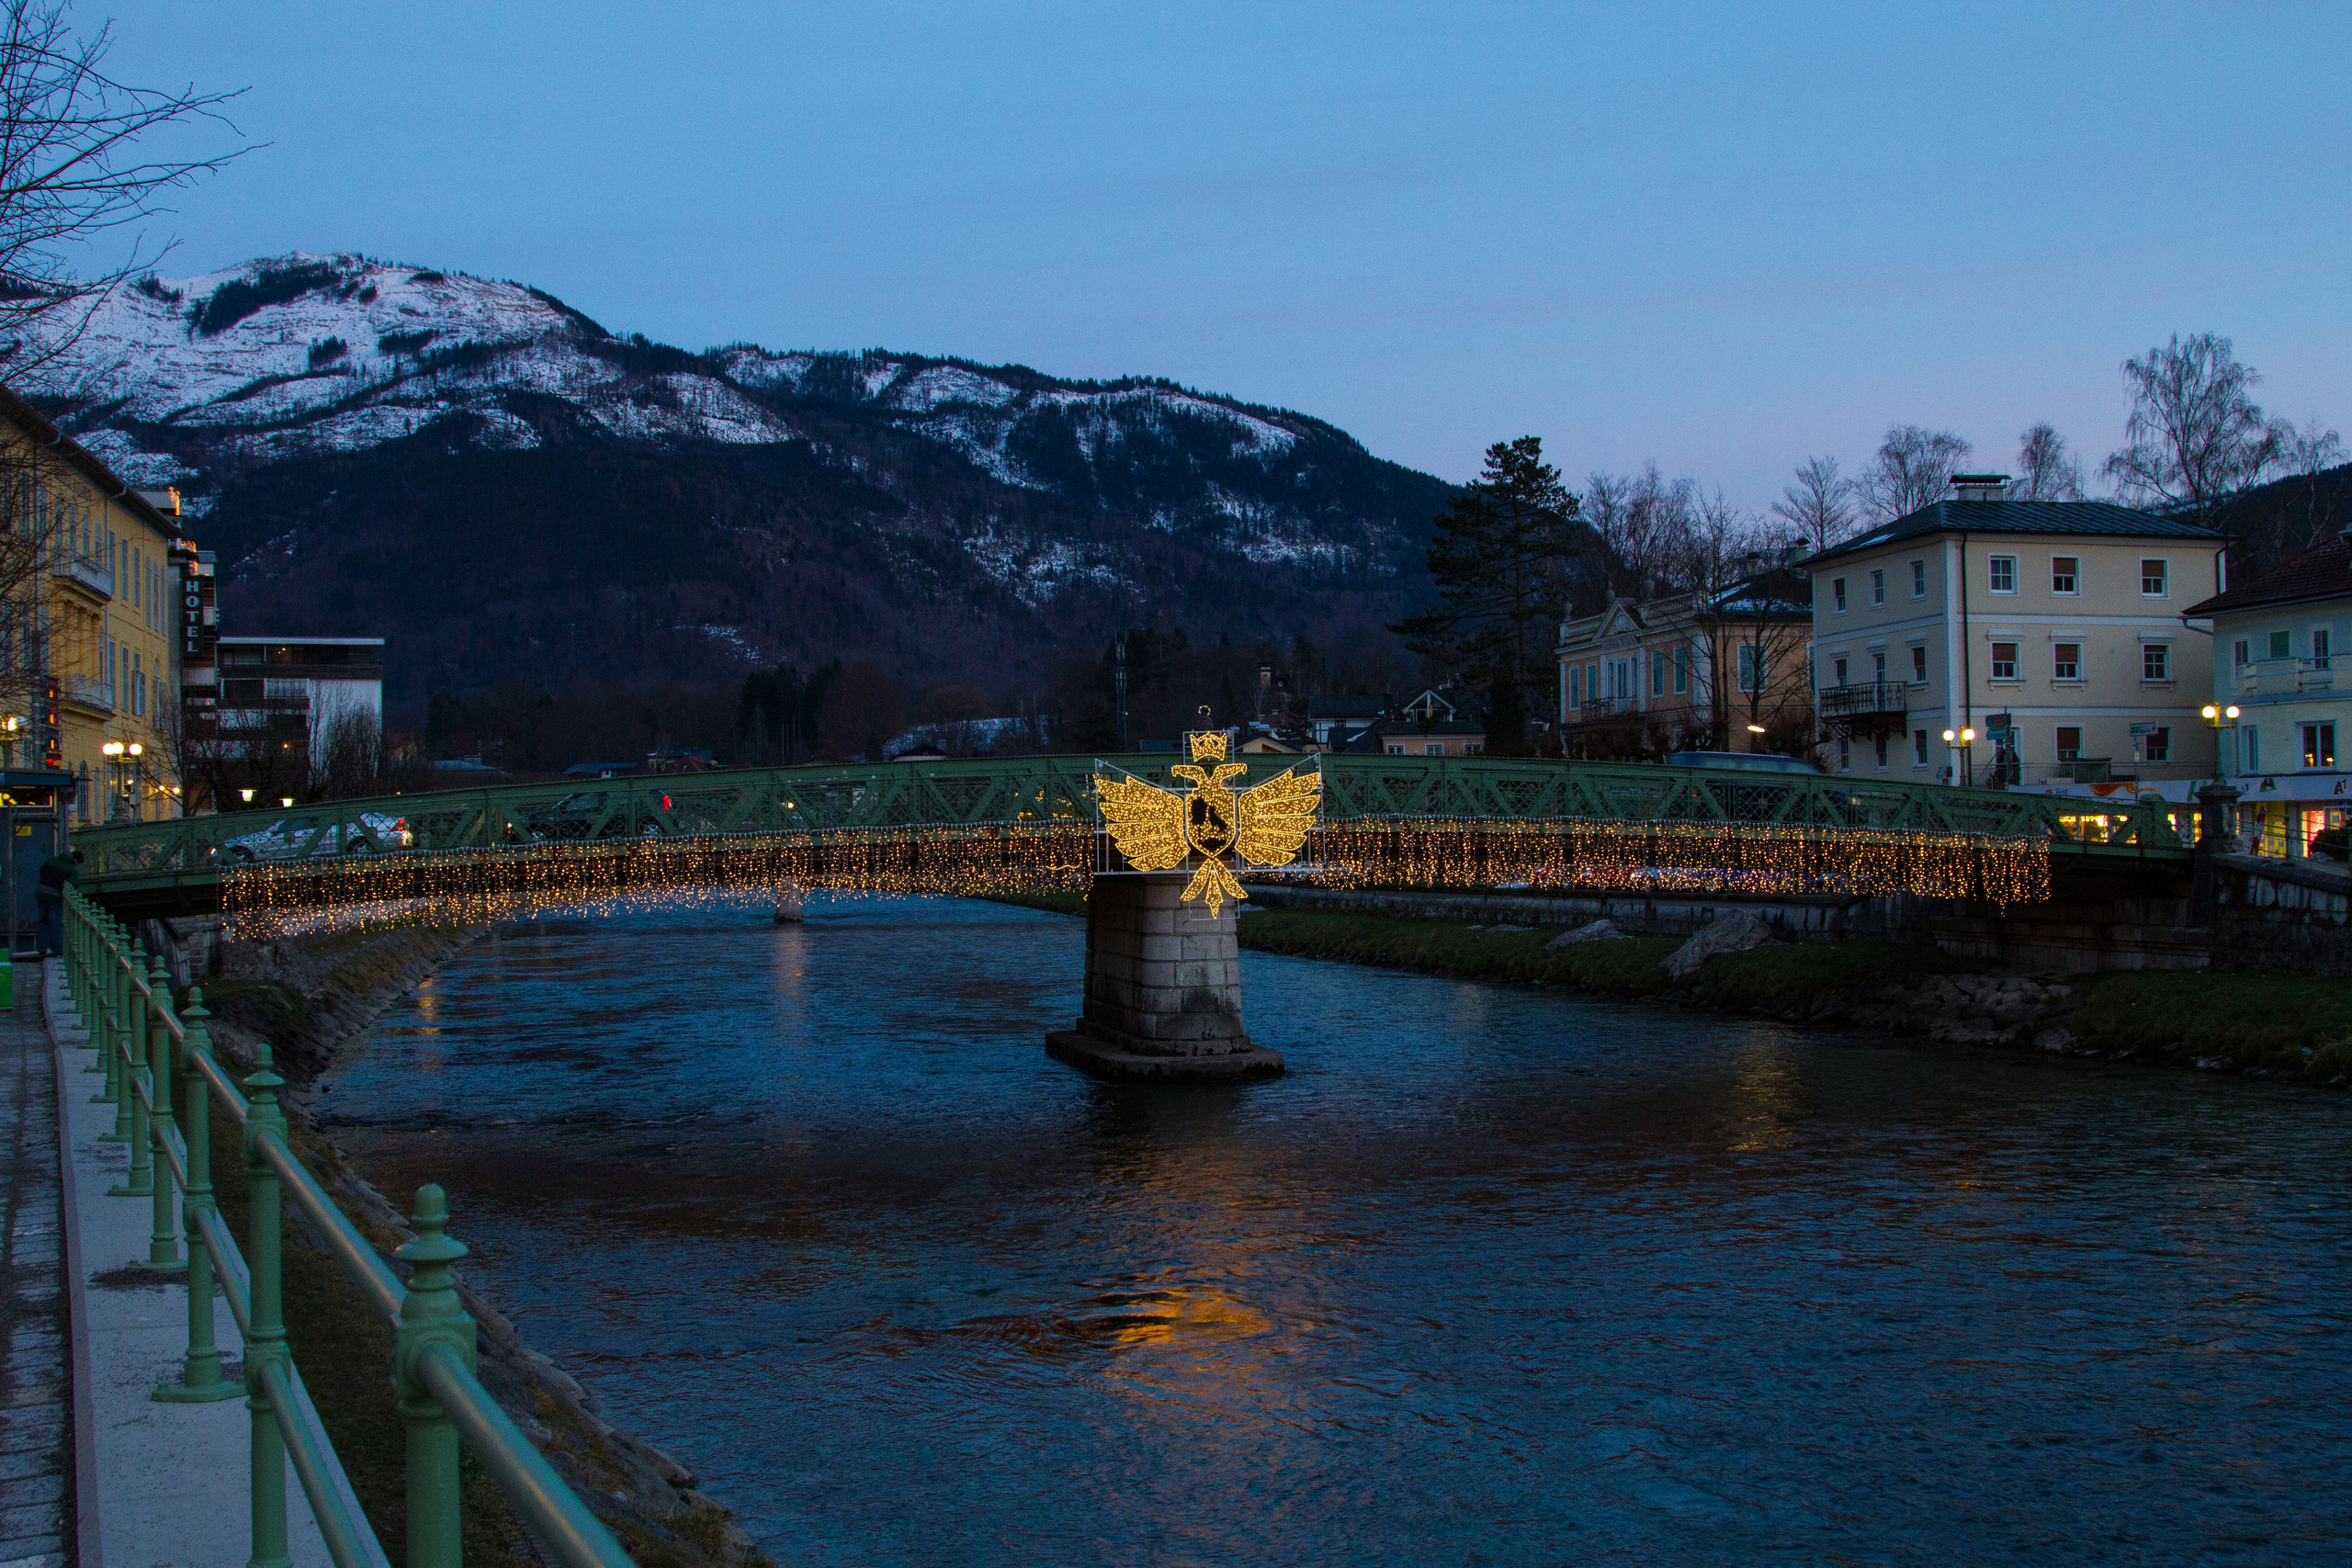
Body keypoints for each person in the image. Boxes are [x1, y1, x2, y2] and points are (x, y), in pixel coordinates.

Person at [34, 847, 81, 957]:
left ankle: (42, 948)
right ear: (75, 860)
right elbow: (72, 885)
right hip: (54, 898)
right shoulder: (71, 869)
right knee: (56, 924)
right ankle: (57, 950)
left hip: (41, 894)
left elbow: (41, 871)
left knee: (43, 921)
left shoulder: (51, 861)